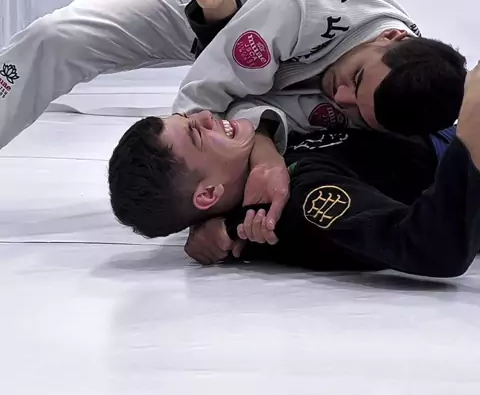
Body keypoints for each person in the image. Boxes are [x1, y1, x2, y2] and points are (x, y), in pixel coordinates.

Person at [0, 0, 466, 156]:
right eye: (356, 80)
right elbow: (206, 96)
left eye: (357, 109)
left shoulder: (395, 93)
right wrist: (186, 183)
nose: (340, 97)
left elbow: (261, 112)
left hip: (264, 50)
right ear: (390, 37)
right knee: (55, 38)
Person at [108, 64, 480, 279]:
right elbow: (433, 248)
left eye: (190, 117)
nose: (206, 115)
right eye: (197, 133)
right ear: (207, 194)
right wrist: (471, 134)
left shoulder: (264, 163)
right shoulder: (297, 203)